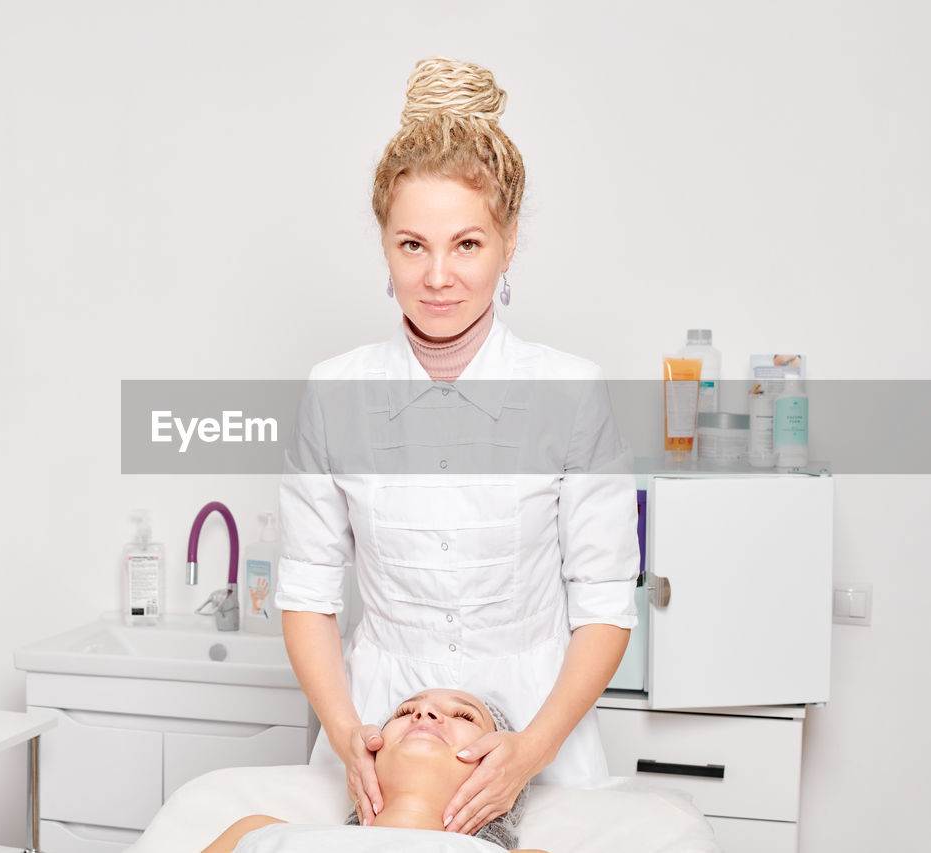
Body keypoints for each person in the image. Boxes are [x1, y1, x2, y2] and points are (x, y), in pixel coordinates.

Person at [276, 56, 640, 837]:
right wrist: (348, 734)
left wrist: (529, 752)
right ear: (384, 246)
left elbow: (606, 603)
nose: (438, 276)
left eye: (467, 245)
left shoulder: (571, 392)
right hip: (379, 731)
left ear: (509, 245)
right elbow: (307, 593)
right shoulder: (335, 391)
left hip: (541, 731)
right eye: (412, 245)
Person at [202, 690, 549, 853]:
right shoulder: (257, 829)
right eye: (405, 711)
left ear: (502, 775)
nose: (424, 713)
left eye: (464, 716)